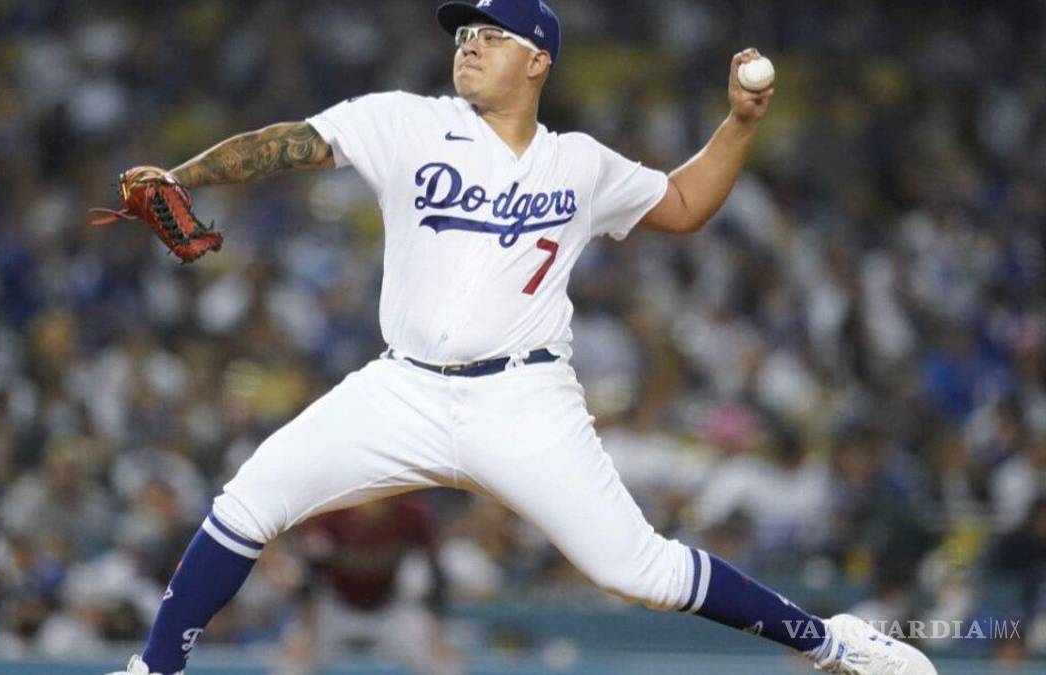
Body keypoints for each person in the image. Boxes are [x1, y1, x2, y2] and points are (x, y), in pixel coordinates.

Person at [109, 1, 937, 674]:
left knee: (638, 570)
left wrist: (739, 124)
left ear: (538, 59)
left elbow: (683, 205)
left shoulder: (579, 162)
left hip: (523, 396)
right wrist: (182, 176)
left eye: (490, 35)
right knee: (248, 501)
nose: (468, 45)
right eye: (462, 35)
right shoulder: (405, 121)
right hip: (403, 388)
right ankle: (154, 669)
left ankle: (833, 644)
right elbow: (290, 144)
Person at [271, 495, 459, 675]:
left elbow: (435, 572)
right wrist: (306, 630)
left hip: (391, 608)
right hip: (335, 608)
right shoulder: (329, 514)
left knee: (442, 660)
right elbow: (310, 574)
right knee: (291, 660)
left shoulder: (410, 514)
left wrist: (437, 631)